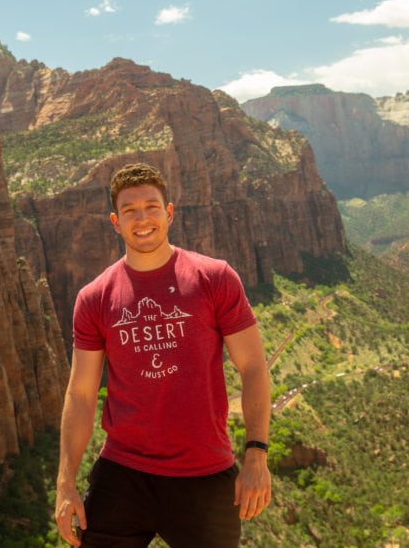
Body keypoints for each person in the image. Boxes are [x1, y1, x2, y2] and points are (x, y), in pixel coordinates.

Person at [54, 162, 272, 547]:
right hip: (123, 473)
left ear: (169, 213)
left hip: (205, 476)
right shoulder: (94, 298)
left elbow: (253, 367)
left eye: (152, 207)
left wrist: (256, 454)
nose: (143, 219)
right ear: (115, 222)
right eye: (130, 211)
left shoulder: (215, 278)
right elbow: (81, 395)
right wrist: (65, 483)